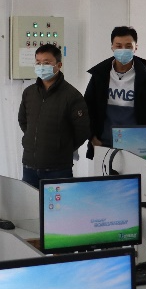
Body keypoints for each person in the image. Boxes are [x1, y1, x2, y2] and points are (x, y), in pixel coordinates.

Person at [82, 25, 146, 157]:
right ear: (112, 47)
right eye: (118, 46)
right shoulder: (100, 75)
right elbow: (87, 107)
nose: (123, 50)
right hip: (103, 144)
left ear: (135, 47)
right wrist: (92, 137)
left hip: (136, 146)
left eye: (128, 46)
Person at [18, 42, 90, 187]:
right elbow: (24, 122)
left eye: (46, 62)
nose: (41, 66)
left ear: (59, 65)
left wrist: (62, 147)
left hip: (58, 169)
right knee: (29, 202)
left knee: (60, 202)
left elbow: (82, 131)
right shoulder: (29, 93)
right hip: (29, 167)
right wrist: (35, 140)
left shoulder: (71, 95)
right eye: (38, 62)